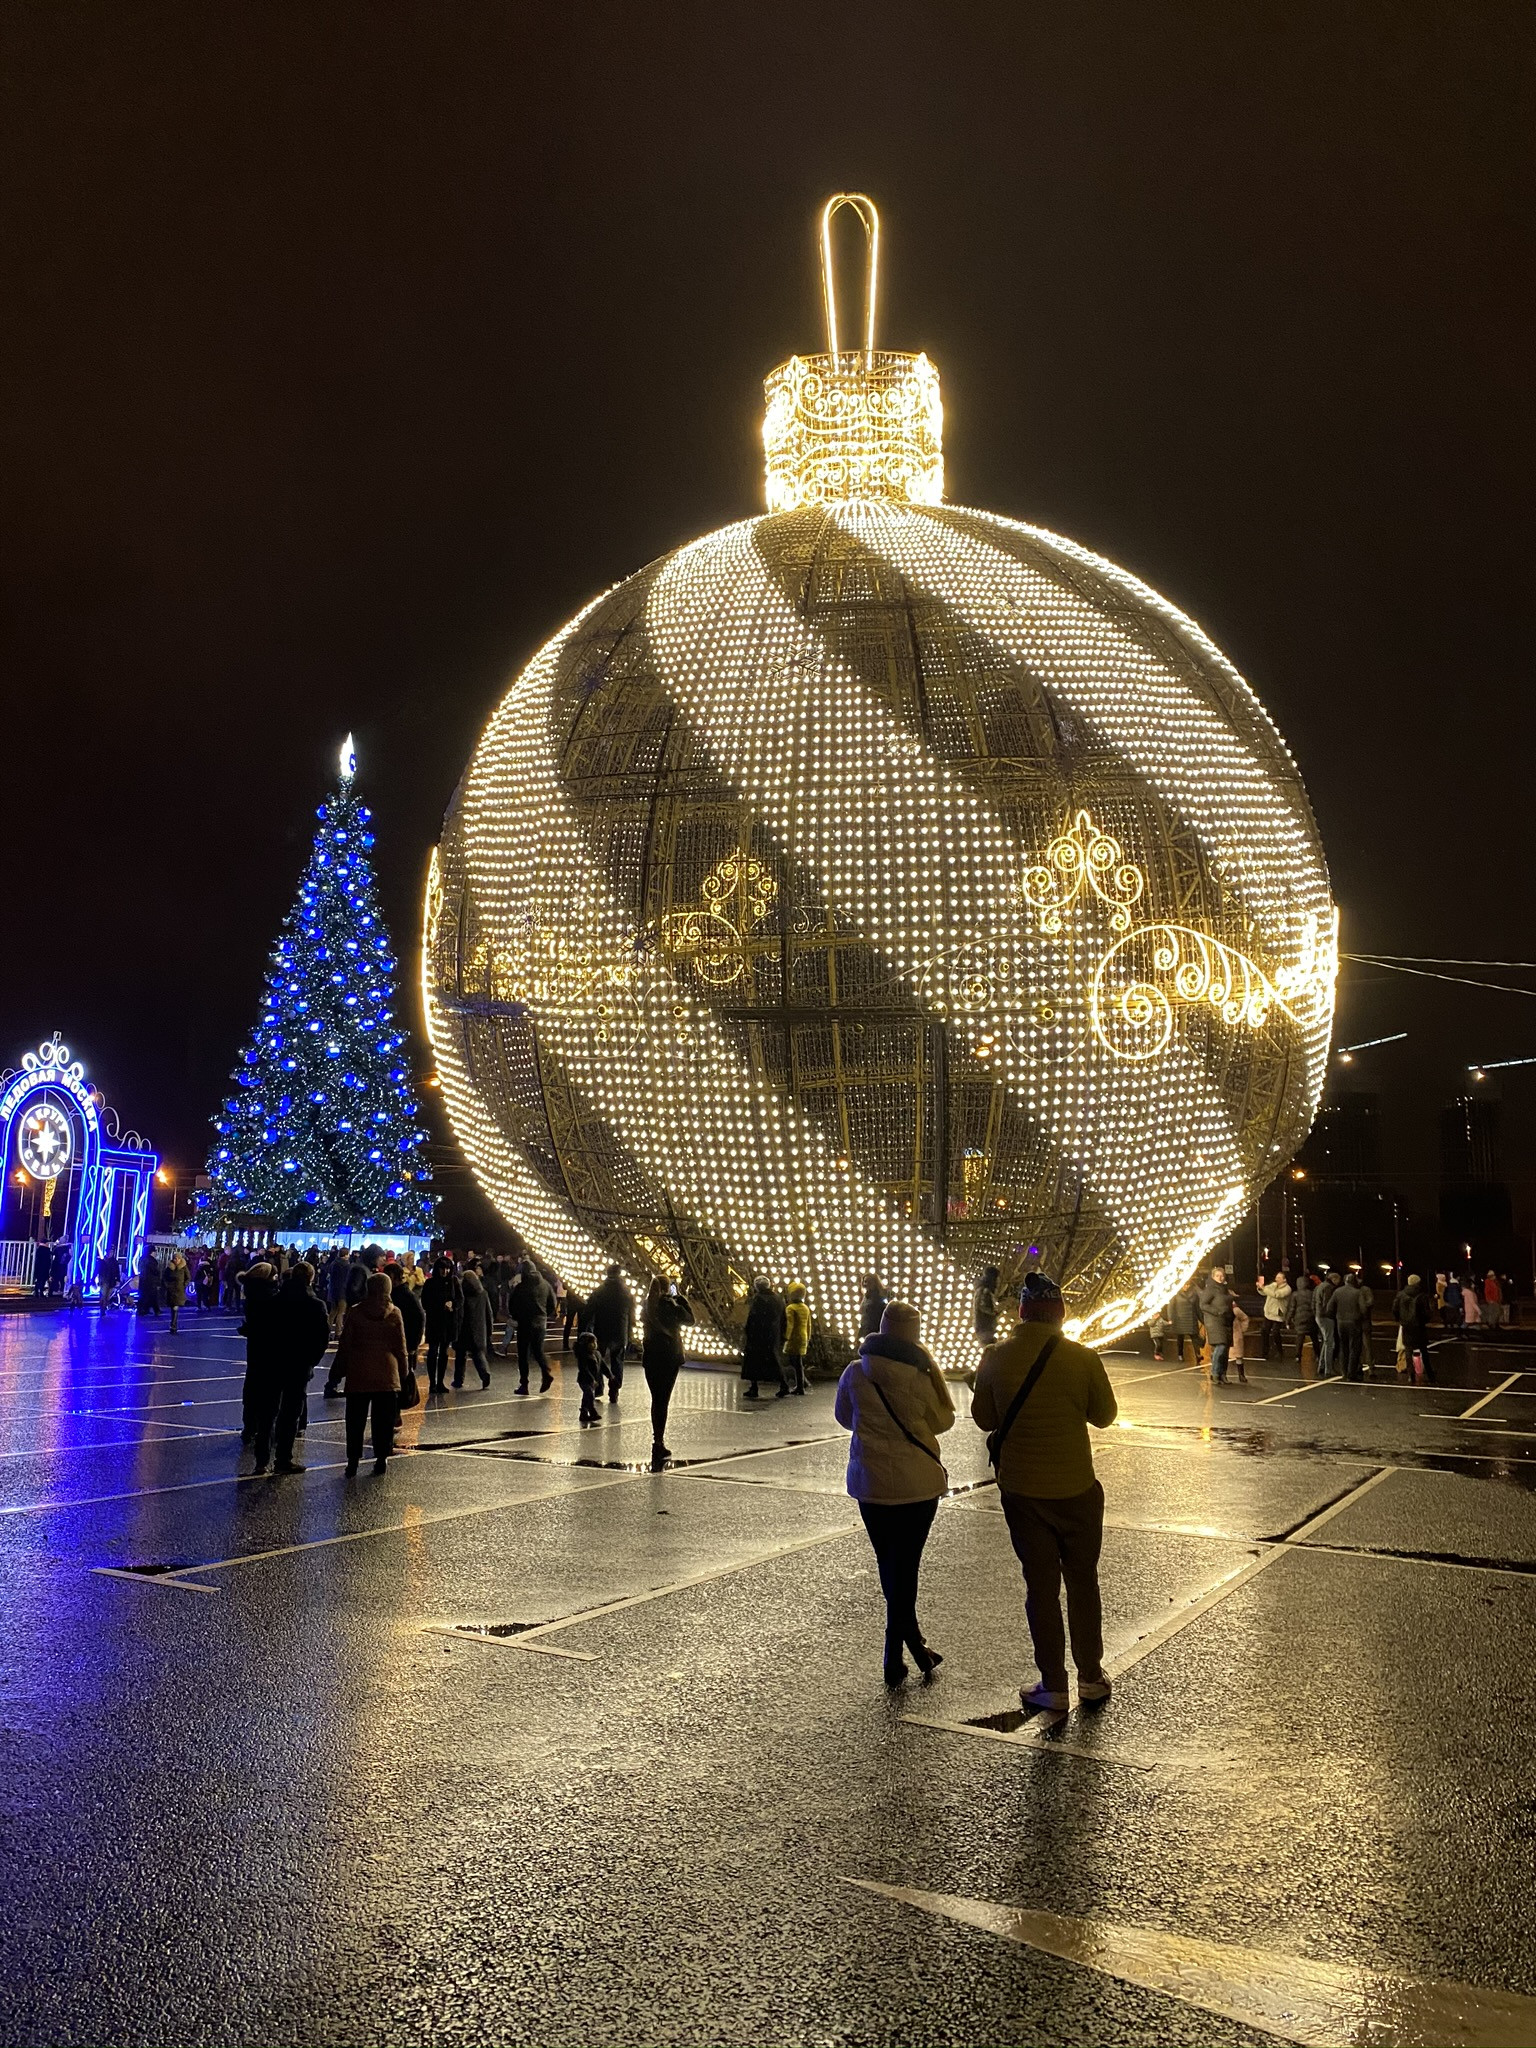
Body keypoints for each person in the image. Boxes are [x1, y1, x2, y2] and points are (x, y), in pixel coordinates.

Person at [971, 1272, 1117, 1712]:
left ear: (1021, 1312)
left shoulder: (995, 1358)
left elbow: (983, 1418)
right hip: (1076, 1488)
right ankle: (1091, 1676)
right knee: (1083, 1582)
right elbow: (1105, 1415)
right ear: (1060, 1314)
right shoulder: (1084, 1358)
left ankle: (1052, 1683)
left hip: (1024, 1493)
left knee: (1041, 1587)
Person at [835, 1299, 954, 1688]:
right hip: (918, 1487)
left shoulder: (856, 1373)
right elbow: (943, 1421)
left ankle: (899, 1651)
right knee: (907, 1566)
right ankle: (904, 1646)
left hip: (870, 1485)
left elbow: (843, 1417)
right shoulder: (922, 1376)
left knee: (889, 1564)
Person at [247, 1261, 331, 1473]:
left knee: (268, 1412)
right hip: (298, 1365)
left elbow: (263, 1331)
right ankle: (283, 1459)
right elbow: (322, 1339)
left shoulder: (274, 1301)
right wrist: (311, 1361)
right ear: (311, 1278)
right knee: (290, 1414)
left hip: (273, 1362)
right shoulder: (315, 1305)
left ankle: (261, 1458)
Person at [329, 1270, 406, 1475]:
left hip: (359, 1372)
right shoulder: (394, 1313)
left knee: (355, 1421)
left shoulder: (355, 1312)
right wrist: (404, 1373)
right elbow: (400, 1347)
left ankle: (353, 1461)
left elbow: (345, 1345)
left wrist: (337, 1372)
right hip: (387, 1374)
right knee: (383, 1422)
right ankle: (381, 1459)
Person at [641, 1277, 694, 1467]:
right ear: (667, 1288)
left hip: (651, 1356)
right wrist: (680, 1298)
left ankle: (658, 1440)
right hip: (669, 1356)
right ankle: (658, 1441)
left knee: (656, 1399)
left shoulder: (647, 1305)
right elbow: (690, 1320)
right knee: (664, 1399)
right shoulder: (669, 1305)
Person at [238, 1261, 278, 1448]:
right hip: (269, 1348)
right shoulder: (269, 1297)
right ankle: (264, 1431)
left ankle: (249, 1427)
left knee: (252, 1385)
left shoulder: (252, 1294)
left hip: (254, 1348)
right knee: (267, 1391)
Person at [587, 1264, 633, 1400]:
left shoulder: (599, 1291)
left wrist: (585, 1330)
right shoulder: (626, 1292)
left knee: (598, 1359)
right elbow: (632, 1315)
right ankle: (614, 1390)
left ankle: (599, 1387)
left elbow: (589, 1311)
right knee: (617, 1361)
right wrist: (629, 1333)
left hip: (601, 1330)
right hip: (620, 1331)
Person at [508, 1259, 554, 1393]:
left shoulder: (521, 1287)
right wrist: (544, 1314)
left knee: (523, 1355)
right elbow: (552, 1303)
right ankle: (546, 1373)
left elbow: (513, 1306)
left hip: (525, 1323)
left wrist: (516, 1317)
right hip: (540, 1322)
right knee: (538, 1351)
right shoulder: (545, 1284)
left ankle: (524, 1384)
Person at [420, 1256, 462, 1393]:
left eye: (448, 1269)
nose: (445, 1271)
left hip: (449, 1322)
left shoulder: (454, 1282)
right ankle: (432, 1382)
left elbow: (460, 1299)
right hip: (435, 1321)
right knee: (433, 1351)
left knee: (443, 1352)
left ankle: (440, 1382)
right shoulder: (430, 1283)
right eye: (442, 1269)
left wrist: (453, 1305)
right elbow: (425, 1303)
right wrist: (440, 1306)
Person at [741, 1277, 787, 1399]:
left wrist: (747, 1331)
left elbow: (752, 1318)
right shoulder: (778, 1299)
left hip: (757, 1335)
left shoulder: (757, 1299)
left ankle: (754, 1387)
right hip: (773, 1335)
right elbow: (783, 1318)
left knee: (753, 1362)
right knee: (774, 1360)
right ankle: (783, 1384)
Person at [454, 1256, 494, 1389]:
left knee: (460, 1356)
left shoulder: (462, 1295)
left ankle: (459, 1380)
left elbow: (458, 1313)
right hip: (479, 1328)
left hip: (464, 1328)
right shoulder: (483, 1294)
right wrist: (489, 1329)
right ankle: (485, 1374)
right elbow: (489, 1314)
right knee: (478, 1354)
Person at [384, 1260, 425, 1382]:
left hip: (405, 1342)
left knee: (403, 1377)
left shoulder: (406, 1295)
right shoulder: (396, 1293)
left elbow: (419, 1318)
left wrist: (413, 1345)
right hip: (398, 1342)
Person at [1393, 1273, 1435, 1383]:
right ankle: (1430, 1374)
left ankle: (1410, 1375)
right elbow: (1427, 1312)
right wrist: (1425, 1320)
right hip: (1419, 1325)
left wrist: (1400, 1320)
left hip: (1406, 1325)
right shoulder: (1422, 1296)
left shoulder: (1401, 1295)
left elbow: (1395, 1309)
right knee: (1423, 1350)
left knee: (1408, 1349)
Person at [1198, 1267, 1234, 1384]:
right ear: (1213, 1277)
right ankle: (1214, 1373)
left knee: (1225, 1349)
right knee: (1221, 1346)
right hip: (1215, 1322)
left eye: (1222, 1275)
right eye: (1217, 1275)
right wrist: (1217, 1312)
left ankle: (1223, 1374)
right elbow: (1203, 1304)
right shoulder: (1210, 1289)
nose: (1220, 1278)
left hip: (1226, 1321)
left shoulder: (1225, 1289)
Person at [1331, 1270, 1365, 1379]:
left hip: (1341, 1322)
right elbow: (1363, 1309)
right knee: (1354, 1348)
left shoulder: (1337, 1292)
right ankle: (1351, 1373)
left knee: (1343, 1347)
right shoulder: (1357, 1293)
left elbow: (1329, 1307)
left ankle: (1344, 1371)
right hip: (1354, 1322)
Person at [1255, 1271, 1292, 1361]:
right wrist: (1260, 1288)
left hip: (1278, 1314)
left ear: (1284, 1280)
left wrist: (1264, 1288)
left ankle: (1279, 1351)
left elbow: (1277, 1295)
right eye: (1276, 1277)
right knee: (1264, 1331)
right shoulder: (1273, 1285)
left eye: (1279, 1278)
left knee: (1276, 1333)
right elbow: (1264, 1292)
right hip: (1269, 1313)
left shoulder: (1287, 1289)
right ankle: (1264, 1352)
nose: (1276, 1279)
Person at [783, 1281, 812, 1395]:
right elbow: (808, 1324)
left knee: (794, 1362)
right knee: (798, 1361)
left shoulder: (790, 1308)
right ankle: (802, 1383)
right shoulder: (805, 1308)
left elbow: (790, 1324)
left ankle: (800, 1385)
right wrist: (808, 1337)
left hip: (794, 1338)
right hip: (803, 1337)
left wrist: (786, 1337)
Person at [573, 1328, 604, 1426]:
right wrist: (592, 1379)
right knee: (589, 1394)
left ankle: (583, 1413)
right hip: (585, 1380)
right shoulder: (583, 1356)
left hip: (592, 1380)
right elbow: (584, 1369)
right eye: (592, 1343)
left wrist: (610, 1375)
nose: (594, 1345)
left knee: (587, 1396)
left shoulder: (597, 1354)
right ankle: (592, 1411)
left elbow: (603, 1366)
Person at [1291, 1272, 1320, 1375]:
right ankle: (1318, 1354)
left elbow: (1292, 1308)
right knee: (1314, 1338)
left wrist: (1288, 1319)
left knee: (1300, 1337)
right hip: (1311, 1318)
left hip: (1299, 1318)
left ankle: (1298, 1356)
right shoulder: (1312, 1293)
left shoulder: (1295, 1294)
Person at [1169, 1280, 1203, 1367]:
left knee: (1195, 1337)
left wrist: (1202, 1319)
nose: (1186, 1286)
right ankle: (1180, 1354)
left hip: (1191, 1318)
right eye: (1184, 1285)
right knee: (1180, 1338)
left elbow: (1197, 1308)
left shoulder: (1194, 1293)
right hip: (1179, 1319)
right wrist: (1170, 1318)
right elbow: (1171, 1306)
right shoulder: (1175, 1293)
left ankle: (1198, 1355)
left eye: (1188, 1285)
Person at [1316, 1270, 1341, 1377]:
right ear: (1334, 1279)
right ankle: (1328, 1369)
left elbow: (1315, 1301)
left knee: (1326, 1341)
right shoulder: (1329, 1288)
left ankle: (1321, 1366)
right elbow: (1328, 1304)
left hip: (1319, 1315)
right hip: (1326, 1317)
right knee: (1330, 1342)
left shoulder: (1320, 1286)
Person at [163, 1249, 190, 1333]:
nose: (176, 1260)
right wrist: (167, 1285)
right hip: (171, 1290)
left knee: (175, 1308)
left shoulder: (183, 1267)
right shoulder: (169, 1268)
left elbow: (188, 1277)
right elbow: (164, 1278)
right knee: (173, 1307)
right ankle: (173, 1324)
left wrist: (184, 1285)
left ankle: (173, 1325)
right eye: (175, 1258)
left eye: (178, 1258)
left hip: (179, 1290)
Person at [973, 1267, 1000, 1347]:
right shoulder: (985, 1291)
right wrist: (995, 1312)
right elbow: (983, 1307)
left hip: (982, 1327)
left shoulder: (980, 1290)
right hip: (985, 1327)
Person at [859, 1275, 888, 1341]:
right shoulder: (866, 1297)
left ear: (875, 1283)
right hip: (866, 1329)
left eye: (868, 1282)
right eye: (864, 1281)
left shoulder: (878, 1298)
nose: (865, 1284)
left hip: (874, 1330)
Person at [1230, 1295, 1250, 1383]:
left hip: (1235, 1335)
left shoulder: (1235, 1310)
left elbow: (1245, 1318)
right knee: (1221, 1354)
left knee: (1239, 1355)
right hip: (1224, 1334)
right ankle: (1218, 1374)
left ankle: (1241, 1375)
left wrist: (1242, 1330)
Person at [137, 1250, 163, 1318]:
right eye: (155, 1252)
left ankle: (143, 1310)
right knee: (153, 1296)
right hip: (151, 1281)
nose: (156, 1253)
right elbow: (155, 1271)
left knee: (143, 1296)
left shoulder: (142, 1259)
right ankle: (154, 1310)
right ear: (152, 1252)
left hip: (143, 1280)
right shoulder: (151, 1260)